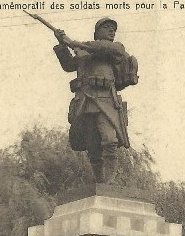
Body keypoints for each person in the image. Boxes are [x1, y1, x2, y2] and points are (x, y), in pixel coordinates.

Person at [53, 18, 133, 183]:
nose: (112, 31)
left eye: (113, 28)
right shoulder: (84, 53)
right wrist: (62, 44)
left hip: (106, 101)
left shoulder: (115, 49)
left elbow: (106, 48)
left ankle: (110, 181)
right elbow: (68, 65)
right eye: (107, 27)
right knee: (92, 144)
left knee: (110, 139)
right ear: (97, 32)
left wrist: (75, 43)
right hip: (85, 101)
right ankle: (100, 181)